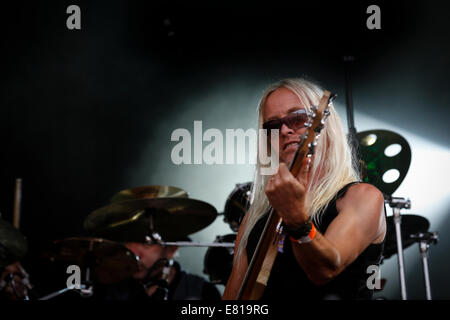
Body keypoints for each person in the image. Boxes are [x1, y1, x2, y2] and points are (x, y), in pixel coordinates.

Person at [223, 78, 386, 300]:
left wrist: (296, 220)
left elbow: (325, 271)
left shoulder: (362, 197)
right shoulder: (254, 219)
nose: (284, 130)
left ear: (322, 125)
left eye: (298, 118)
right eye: (273, 125)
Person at [95, 241, 221, 301]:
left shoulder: (202, 291)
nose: (135, 254)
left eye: (146, 244)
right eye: (128, 242)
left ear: (171, 249)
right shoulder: (109, 289)